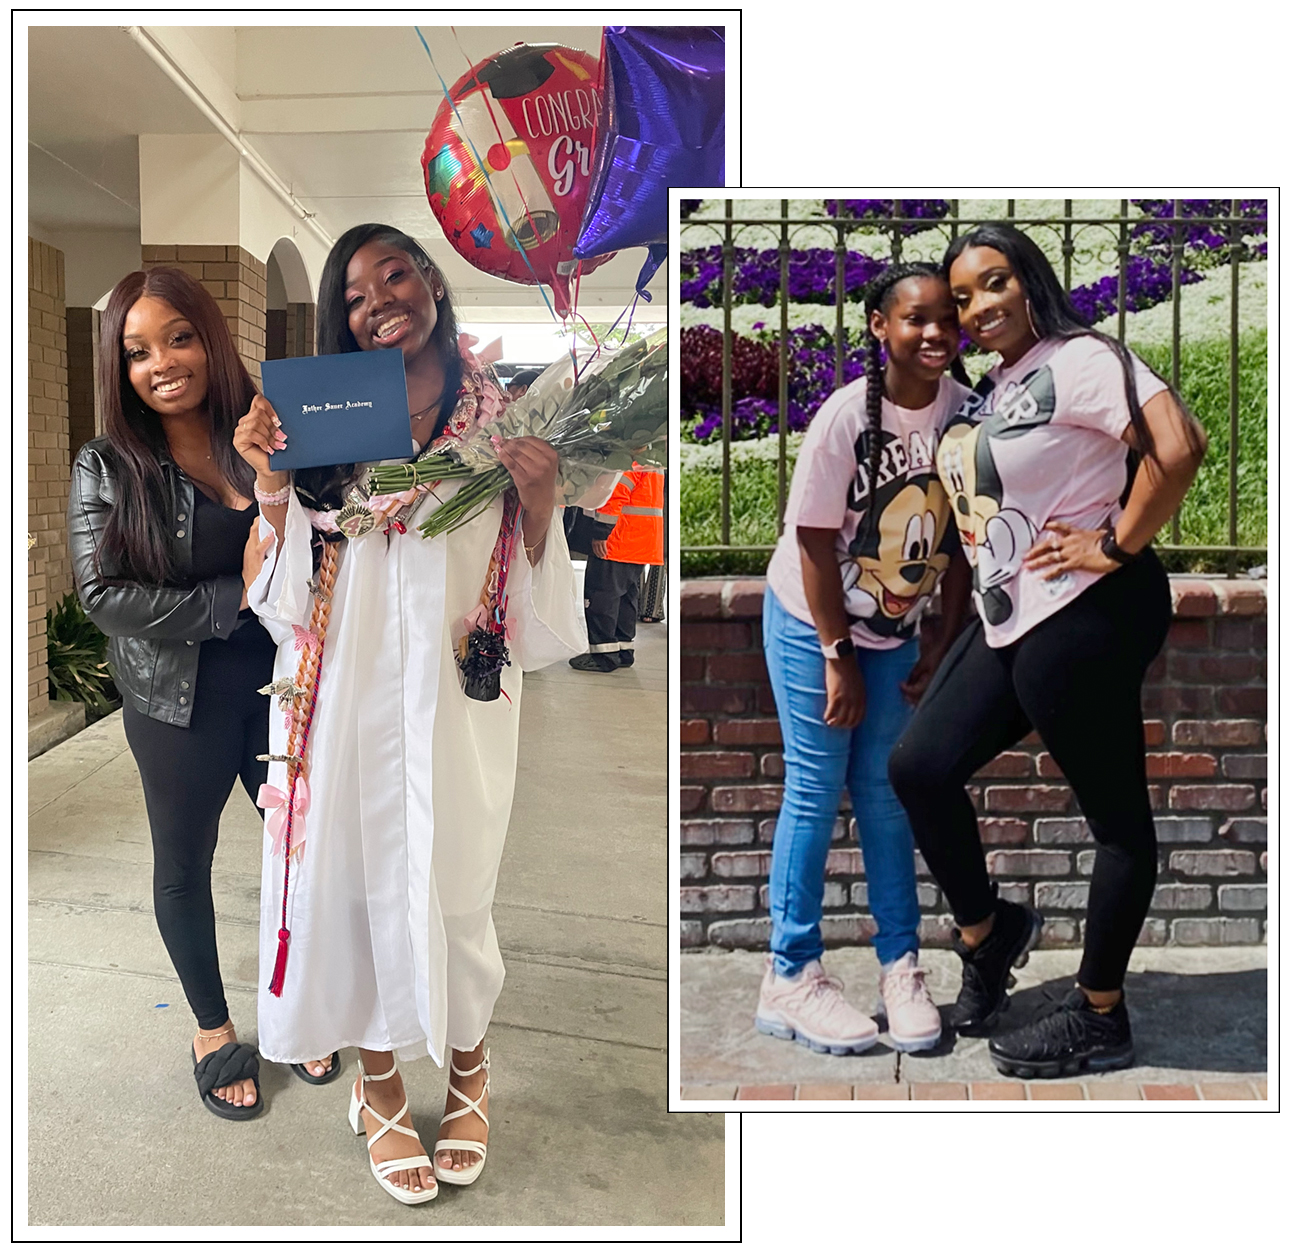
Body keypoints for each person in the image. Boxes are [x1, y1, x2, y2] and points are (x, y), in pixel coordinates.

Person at [236, 224, 585, 1204]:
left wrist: (544, 496)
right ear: (339, 320)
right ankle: (378, 1080)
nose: (379, 296)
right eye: (354, 291)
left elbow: (533, 601)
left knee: (459, 892)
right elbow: (278, 599)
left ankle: (471, 1066)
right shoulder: (323, 424)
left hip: (455, 706)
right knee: (350, 891)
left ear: (432, 280)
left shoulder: (501, 421)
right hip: (341, 701)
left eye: (396, 271)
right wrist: (270, 481)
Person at [889, 223, 1206, 1078]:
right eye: (961, 297)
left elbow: (1177, 447)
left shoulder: (1082, 358)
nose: (977, 307)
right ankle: (991, 935)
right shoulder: (998, 386)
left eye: (994, 283)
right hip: (1013, 618)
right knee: (919, 767)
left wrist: (1113, 543)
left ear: (1030, 279)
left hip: (1085, 610)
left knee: (1114, 822)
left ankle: (1101, 1013)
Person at [67, 267, 339, 1122]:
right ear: (121, 368)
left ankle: (299, 1006)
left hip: (280, 689)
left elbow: (331, 530)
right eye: (137, 351)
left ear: (210, 340)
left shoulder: (261, 429)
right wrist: (234, 595)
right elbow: (102, 595)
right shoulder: (106, 464)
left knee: (303, 855)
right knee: (183, 863)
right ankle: (213, 1030)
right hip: (173, 702)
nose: (162, 364)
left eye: (178, 338)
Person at [754, 263, 974, 1055]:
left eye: (945, 318)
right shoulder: (848, 418)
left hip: (896, 631)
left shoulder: (964, 416)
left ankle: (899, 966)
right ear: (879, 327)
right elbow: (812, 542)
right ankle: (790, 975)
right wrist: (835, 654)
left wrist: (942, 639)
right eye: (914, 318)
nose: (933, 333)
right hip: (815, 624)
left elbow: (957, 539)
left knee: (885, 797)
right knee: (814, 792)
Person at [569, 462, 664, 671]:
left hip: (618, 540)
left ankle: (604, 655)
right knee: (625, 598)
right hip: (641, 541)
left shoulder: (629, 459)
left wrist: (601, 531)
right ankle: (623, 650)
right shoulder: (652, 460)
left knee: (600, 597)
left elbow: (615, 494)